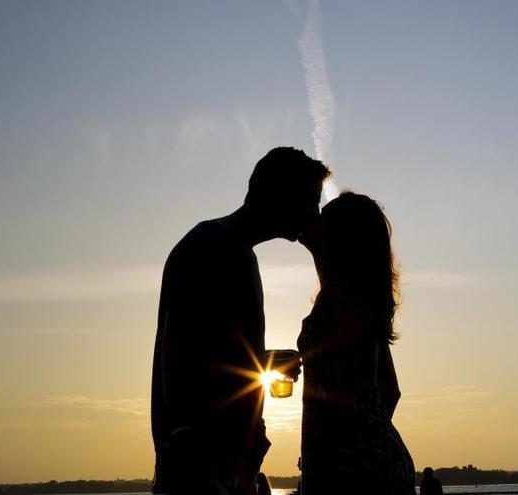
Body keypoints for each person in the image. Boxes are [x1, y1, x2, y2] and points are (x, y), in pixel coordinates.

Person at [151, 147, 329, 495]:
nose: (314, 212)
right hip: (199, 466)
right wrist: (189, 453)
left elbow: (210, 355)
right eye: (309, 200)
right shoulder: (206, 245)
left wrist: (265, 361)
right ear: (278, 194)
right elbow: (178, 353)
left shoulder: (244, 257)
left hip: (230, 463)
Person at [297, 192, 416, 494]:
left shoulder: (338, 302)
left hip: (350, 471)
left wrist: (339, 458)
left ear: (338, 237)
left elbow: (343, 392)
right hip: (381, 459)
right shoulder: (359, 299)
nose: (316, 219)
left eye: (325, 217)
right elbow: (390, 390)